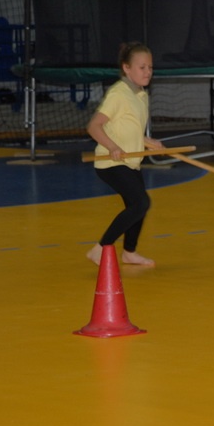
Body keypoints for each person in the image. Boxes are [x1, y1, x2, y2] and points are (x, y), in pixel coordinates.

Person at [86, 42, 164, 267]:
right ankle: (101, 248)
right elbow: (94, 126)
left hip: (131, 161)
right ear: (126, 68)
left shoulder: (141, 95)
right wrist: (112, 147)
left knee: (137, 206)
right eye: (142, 67)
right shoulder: (118, 94)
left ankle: (129, 252)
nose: (148, 72)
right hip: (111, 163)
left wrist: (148, 142)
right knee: (140, 203)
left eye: (150, 67)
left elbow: (128, 129)